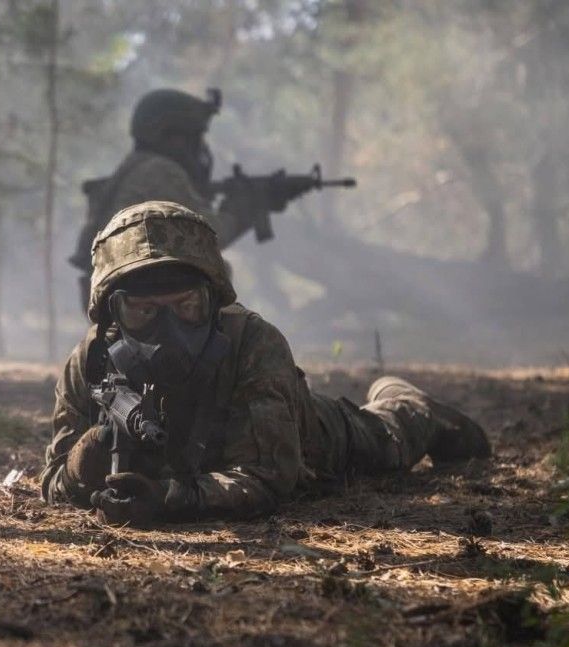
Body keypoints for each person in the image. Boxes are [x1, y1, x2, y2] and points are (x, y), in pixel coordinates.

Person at [41, 201, 490, 526]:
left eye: (187, 306)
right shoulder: (92, 362)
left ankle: (407, 404)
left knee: (383, 444)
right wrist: (87, 461)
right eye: (143, 311)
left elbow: (268, 477)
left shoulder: (252, 343)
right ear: (111, 315)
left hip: (311, 439)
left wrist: (168, 497)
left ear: (214, 301)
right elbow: (53, 480)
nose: (170, 329)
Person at [68, 88, 265, 309]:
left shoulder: (137, 166)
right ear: (166, 134)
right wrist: (239, 212)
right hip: (139, 300)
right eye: (191, 137)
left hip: (120, 296)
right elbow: (210, 238)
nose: (198, 146)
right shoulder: (160, 171)